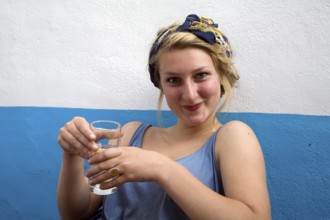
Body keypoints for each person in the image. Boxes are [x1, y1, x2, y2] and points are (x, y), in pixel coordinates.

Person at [57, 14, 271, 220]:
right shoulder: (130, 133)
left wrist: (162, 168)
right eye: (173, 80)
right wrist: (72, 153)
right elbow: (76, 213)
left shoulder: (232, 137)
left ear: (222, 76)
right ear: (161, 85)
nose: (189, 94)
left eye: (201, 75)